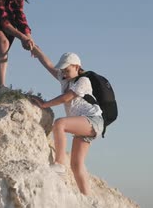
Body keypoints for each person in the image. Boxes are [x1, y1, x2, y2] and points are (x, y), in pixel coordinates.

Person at [30, 48, 103, 196]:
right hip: (83, 124)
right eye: (62, 70)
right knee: (76, 164)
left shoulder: (83, 81)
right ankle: (87, 199)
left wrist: (45, 104)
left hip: (93, 120)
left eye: (67, 70)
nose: (63, 73)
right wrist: (36, 51)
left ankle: (59, 164)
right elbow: (48, 65)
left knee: (60, 124)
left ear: (77, 67)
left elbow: (67, 97)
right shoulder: (65, 79)